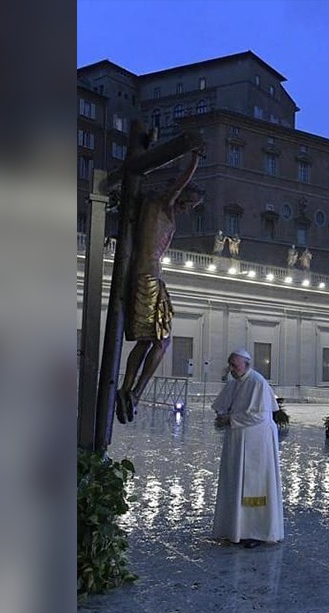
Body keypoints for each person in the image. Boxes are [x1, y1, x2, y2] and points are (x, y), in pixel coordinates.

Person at [117, 150, 202, 423]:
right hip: (149, 278)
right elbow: (178, 183)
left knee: (146, 341)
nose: (189, 209)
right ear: (181, 197)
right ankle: (136, 393)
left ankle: (127, 390)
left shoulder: (146, 207)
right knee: (162, 343)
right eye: (190, 203)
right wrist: (194, 158)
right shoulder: (163, 203)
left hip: (145, 276)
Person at [210, 349, 284, 548]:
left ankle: (256, 532)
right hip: (237, 441)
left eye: (235, 365)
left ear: (246, 364)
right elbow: (222, 405)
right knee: (235, 483)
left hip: (256, 444)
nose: (231, 369)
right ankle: (236, 529)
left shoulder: (257, 382)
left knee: (254, 486)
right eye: (230, 364)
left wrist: (230, 419)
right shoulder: (235, 382)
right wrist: (222, 415)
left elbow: (259, 416)